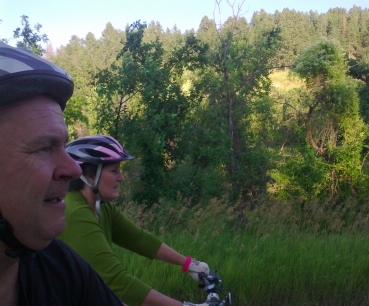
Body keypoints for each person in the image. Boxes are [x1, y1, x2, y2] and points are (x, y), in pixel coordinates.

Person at [0, 42, 124, 305]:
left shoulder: (62, 268)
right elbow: (120, 279)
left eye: (63, 146)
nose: (73, 169)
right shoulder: (76, 216)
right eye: (44, 148)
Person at [58, 136, 218, 306]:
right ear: (90, 176)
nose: (121, 177)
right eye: (114, 171)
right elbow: (118, 282)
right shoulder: (75, 213)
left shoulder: (101, 206)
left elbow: (139, 239)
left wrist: (189, 264)